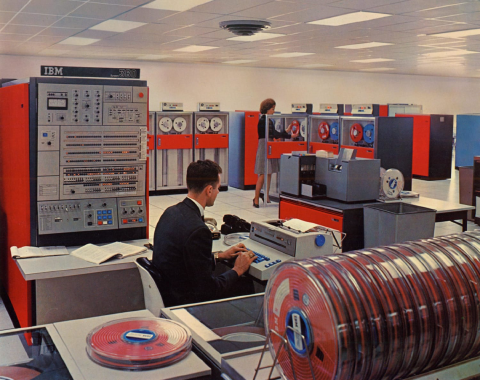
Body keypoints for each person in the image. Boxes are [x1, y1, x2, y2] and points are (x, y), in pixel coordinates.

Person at [153, 159, 257, 307]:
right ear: (209, 190)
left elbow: (185, 261)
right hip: (184, 303)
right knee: (245, 284)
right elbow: (208, 290)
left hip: (169, 293)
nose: (218, 192)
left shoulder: (170, 212)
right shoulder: (199, 231)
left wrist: (219, 256)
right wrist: (237, 269)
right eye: (217, 188)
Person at [254, 98, 299, 207]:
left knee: (268, 173)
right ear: (267, 109)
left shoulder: (266, 119)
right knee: (263, 173)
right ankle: (256, 198)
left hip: (267, 145)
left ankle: (266, 196)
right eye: (272, 109)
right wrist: (289, 135)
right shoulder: (264, 120)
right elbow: (274, 134)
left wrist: (286, 132)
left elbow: (274, 134)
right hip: (264, 146)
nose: (273, 111)